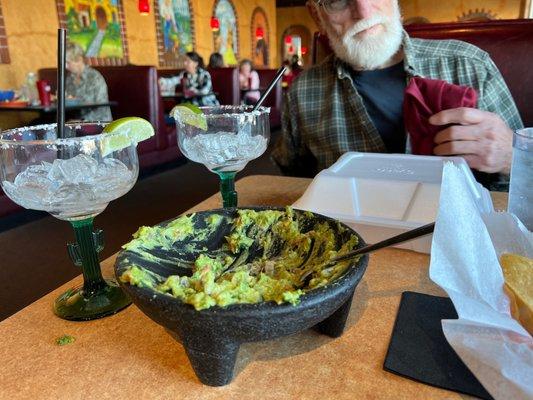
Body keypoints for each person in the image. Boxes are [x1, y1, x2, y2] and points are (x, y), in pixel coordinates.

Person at [272, 0, 523, 190]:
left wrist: (512, 156)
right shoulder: (302, 92)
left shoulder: (470, 65)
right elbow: (294, 180)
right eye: (338, 0)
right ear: (317, 15)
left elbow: (527, 178)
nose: (364, 11)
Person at [65, 42, 112, 122]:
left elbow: (102, 107)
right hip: (75, 124)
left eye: (68, 63)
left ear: (79, 59)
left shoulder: (95, 77)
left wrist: (82, 121)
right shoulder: (69, 78)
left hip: (99, 124)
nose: (65, 66)